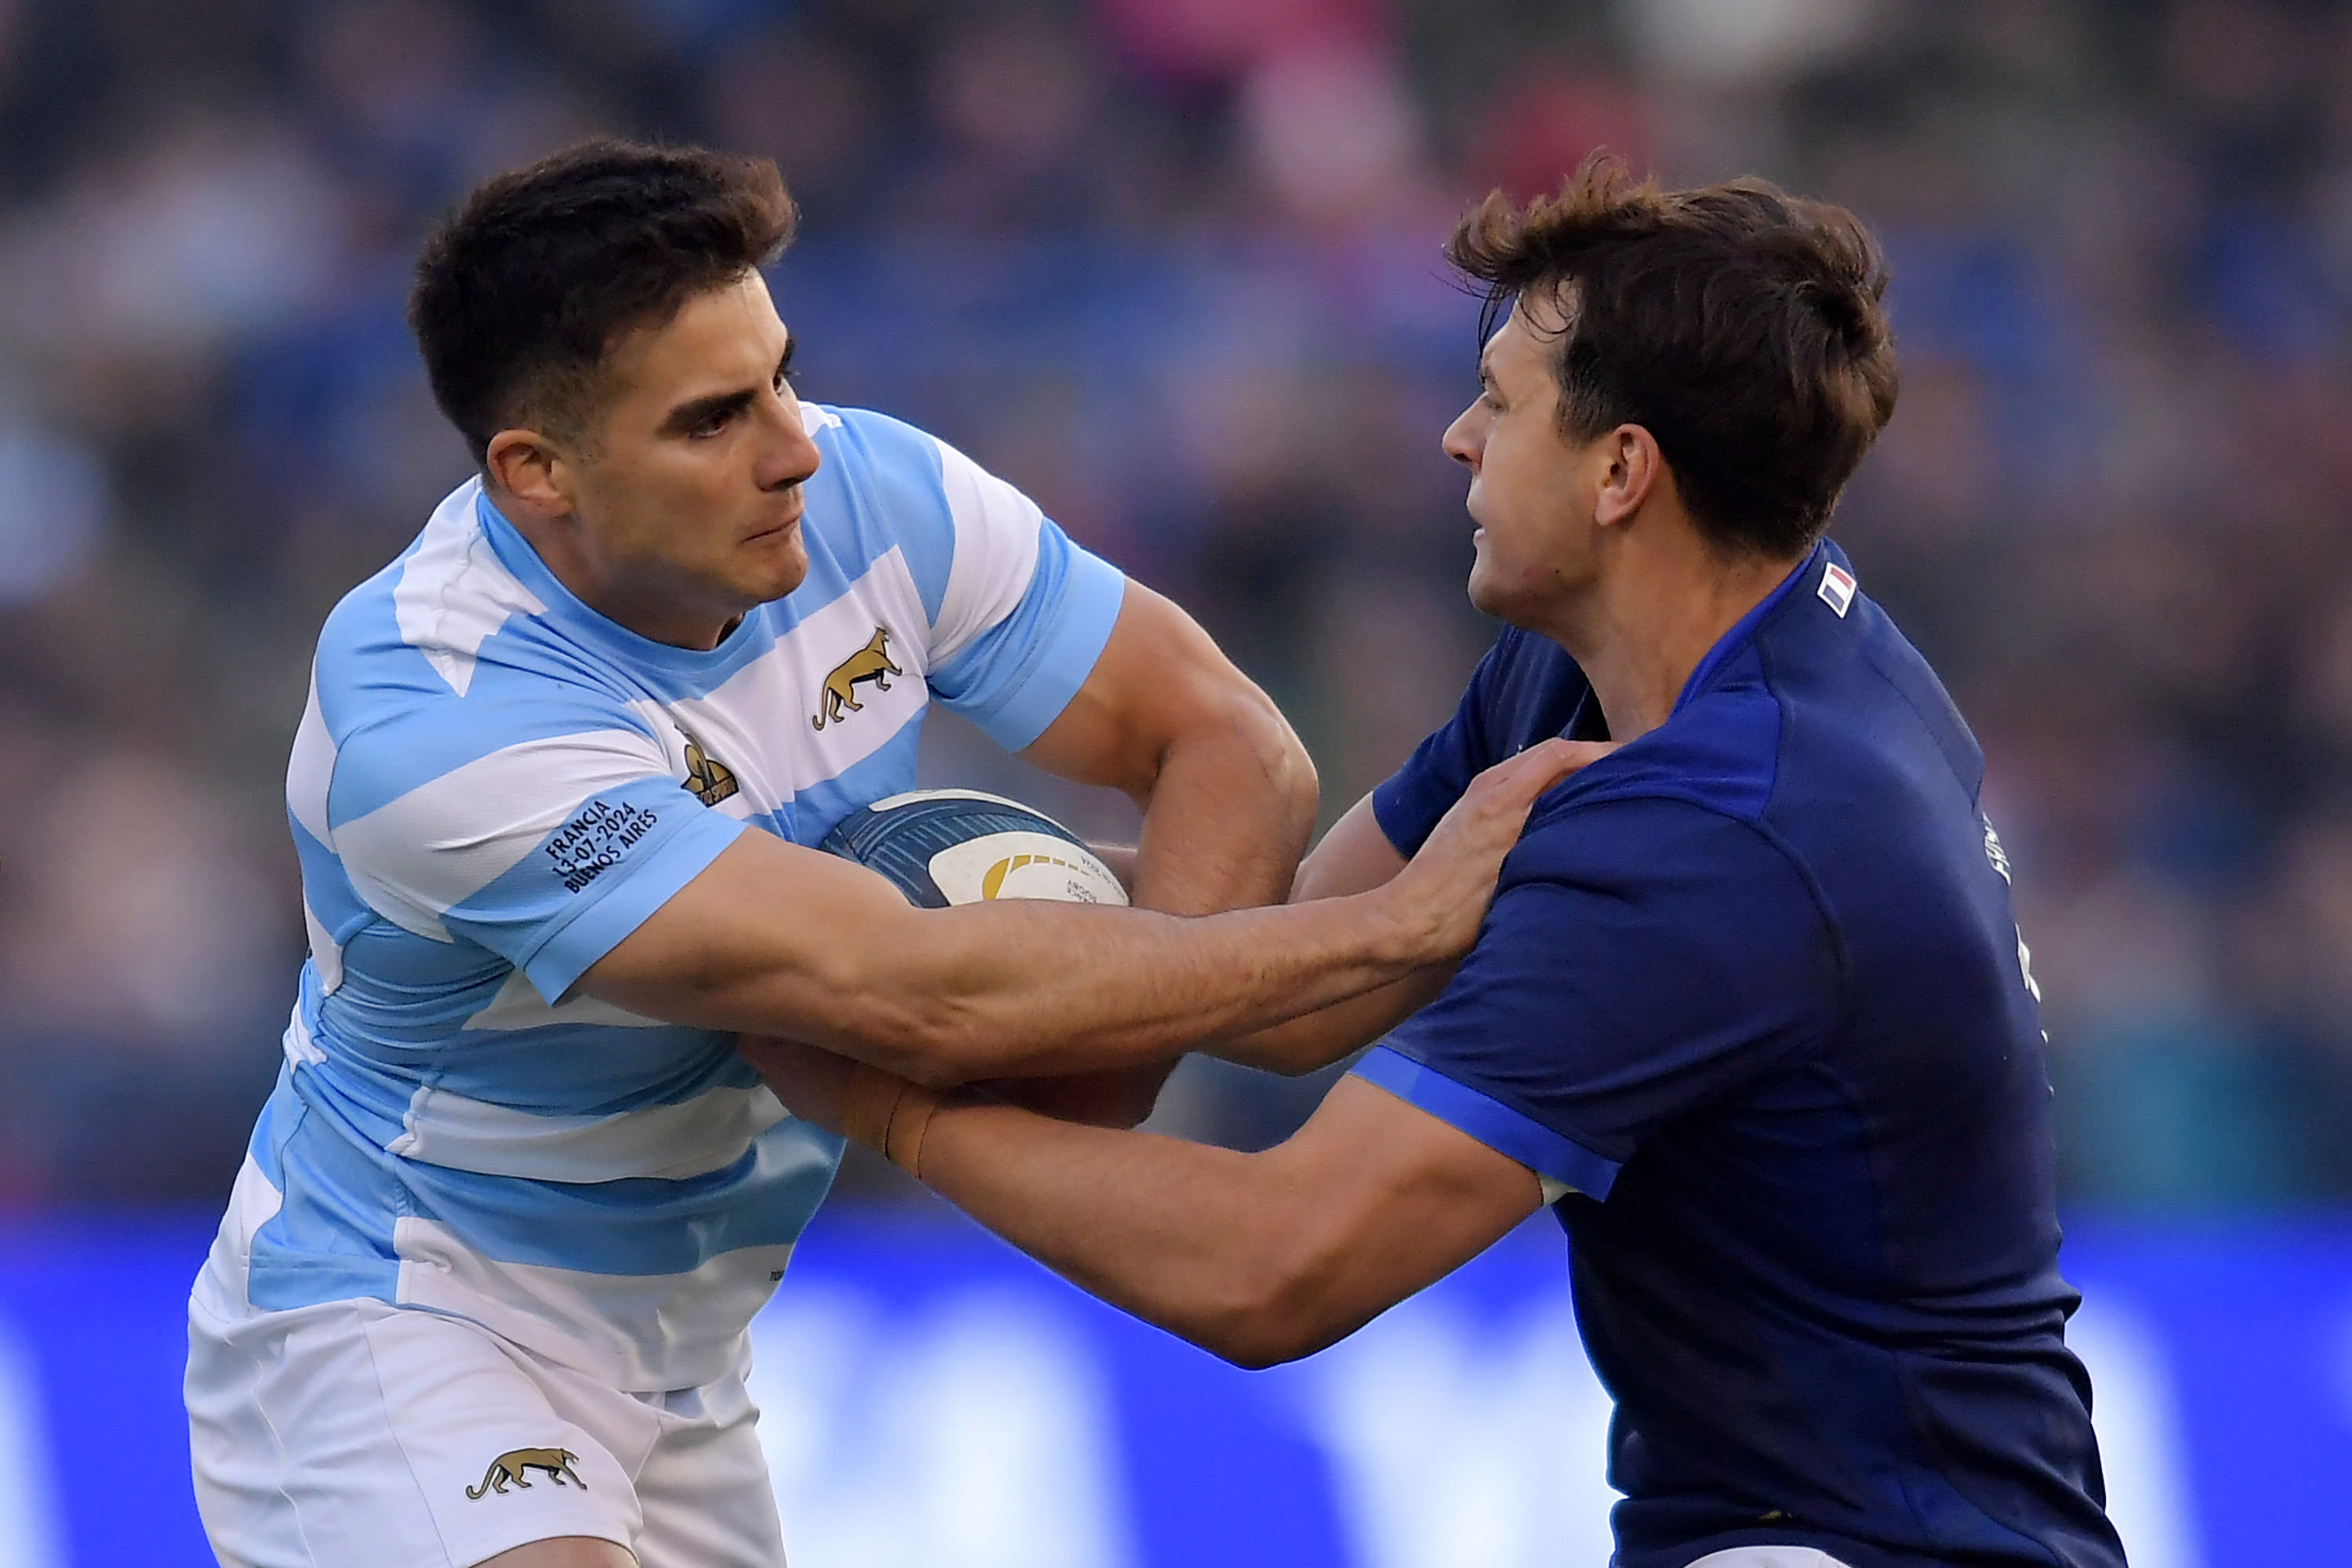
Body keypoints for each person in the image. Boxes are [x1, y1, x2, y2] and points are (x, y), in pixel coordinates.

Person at [183, 138, 1580, 1568]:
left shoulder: (868, 490)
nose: (794, 444)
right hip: (405, 1318)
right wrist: (1393, 929)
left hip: (688, 1355)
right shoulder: (441, 714)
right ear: (538, 471)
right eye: (713, 419)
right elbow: (910, 995)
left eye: (782, 373)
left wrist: (1102, 1061)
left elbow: (1229, 746)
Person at [750, 159, 2131, 1568]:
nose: (1460, 441)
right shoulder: (1646, 665)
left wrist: (887, 1099)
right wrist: (892, 897)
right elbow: (1294, 979)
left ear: (1620, 472)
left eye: (1501, 402)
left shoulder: (1719, 835)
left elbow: (1274, 1266)